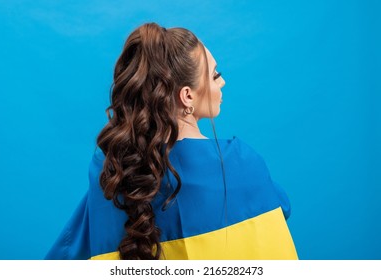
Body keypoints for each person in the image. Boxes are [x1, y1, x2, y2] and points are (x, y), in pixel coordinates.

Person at [45, 22, 298, 260]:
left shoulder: (114, 172)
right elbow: (280, 207)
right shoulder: (241, 162)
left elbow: (66, 254)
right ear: (187, 96)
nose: (222, 82)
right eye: (215, 75)